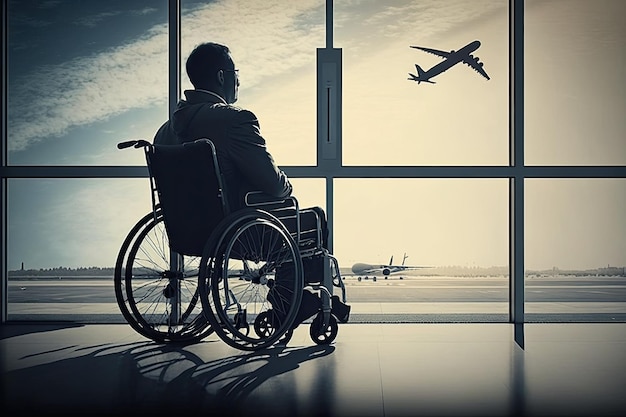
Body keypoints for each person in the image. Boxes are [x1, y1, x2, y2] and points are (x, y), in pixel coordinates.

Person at [153, 42, 349, 328]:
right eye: (236, 72)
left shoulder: (165, 132)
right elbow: (271, 181)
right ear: (222, 76)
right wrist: (286, 189)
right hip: (241, 232)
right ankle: (292, 301)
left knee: (291, 219)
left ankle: (297, 299)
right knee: (314, 218)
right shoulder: (234, 120)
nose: (238, 80)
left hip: (188, 233)